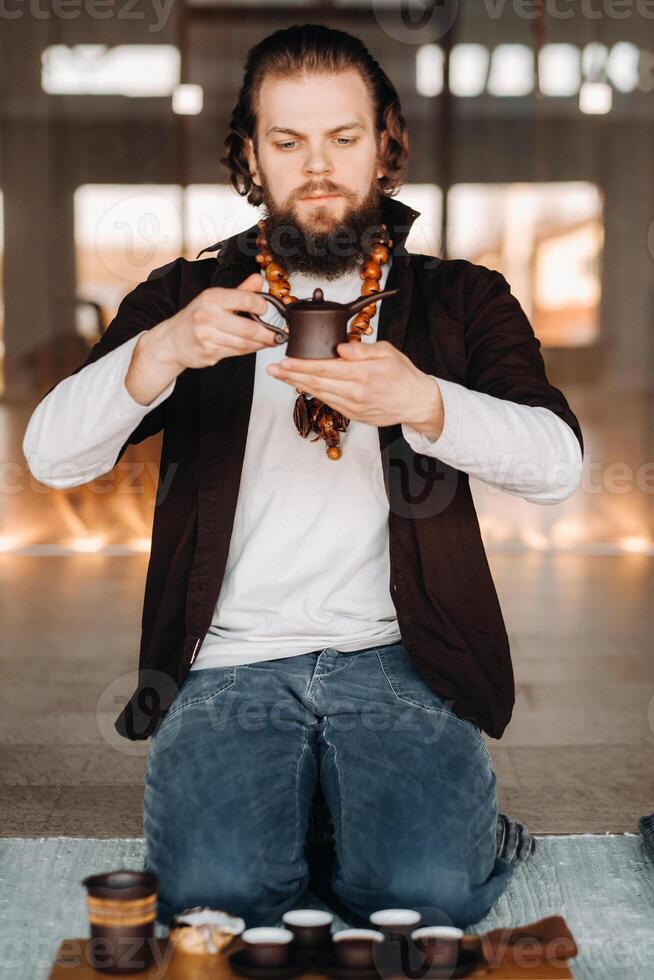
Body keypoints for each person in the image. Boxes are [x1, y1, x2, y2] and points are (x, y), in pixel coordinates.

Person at [23, 24, 583, 931]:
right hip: (228, 665)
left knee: (425, 899)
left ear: (384, 145)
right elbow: (52, 456)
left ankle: (420, 828)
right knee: (217, 904)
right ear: (252, 155)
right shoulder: (185, 296)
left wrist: (425, 399)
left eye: (343, 139)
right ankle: (342, 822)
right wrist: (162, 351)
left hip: (404, 661)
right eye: (288, 142)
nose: (317, 167)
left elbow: (559, 467)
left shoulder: (463, 297)